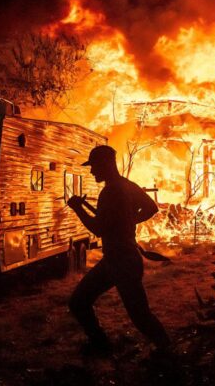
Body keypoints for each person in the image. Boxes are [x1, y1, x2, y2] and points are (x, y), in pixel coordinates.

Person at [66, 145, 170, 355]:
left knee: (137, 314)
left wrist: (77, 208)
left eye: (94, 166)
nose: (92, 171)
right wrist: (131, 220)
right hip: (122, 258)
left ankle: (166, 350)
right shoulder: (127, 185)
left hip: (120, 261)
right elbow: (151, 207)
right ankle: (102, 346)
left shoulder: (110, 192)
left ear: (106, 165)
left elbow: (98, 229)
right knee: (82, 302)